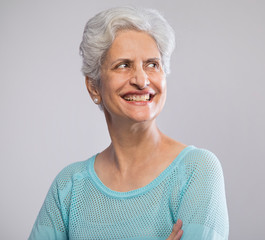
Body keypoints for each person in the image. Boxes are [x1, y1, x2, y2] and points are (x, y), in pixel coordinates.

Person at [29, 6, 229, 240]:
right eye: (123, 65)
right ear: (94, 86)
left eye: (152, 64)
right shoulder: (68, 188)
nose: (142, 80)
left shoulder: (197, 171)